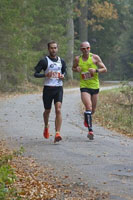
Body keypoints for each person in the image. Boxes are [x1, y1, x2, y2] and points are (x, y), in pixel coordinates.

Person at [72, 41, 107, 140]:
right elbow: (73, 68)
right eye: (83, 48)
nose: (85, 50)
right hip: (84, 86)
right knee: (88, 106)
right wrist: (76, 69)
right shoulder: (77, 59)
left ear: (90, 48)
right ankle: (90, 131)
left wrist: (96, 71)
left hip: (95, 86)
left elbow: (104, 69)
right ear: (81, 50)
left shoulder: (95, 58)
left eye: (87, 48)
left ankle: (86, 117)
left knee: (93, 110)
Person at [34, 41, 66, 143]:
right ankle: (46, 126)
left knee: (58, 110)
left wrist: (62, 76)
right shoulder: (44, 61)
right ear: (48, 49)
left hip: (58, 88)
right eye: (52, 48)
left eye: (55, 48)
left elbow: (64, 73)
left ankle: (57, 133)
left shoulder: (62, 61)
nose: (54, 50)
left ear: (57, 49)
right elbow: (35, 74)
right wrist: (45, 75)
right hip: (48, 89)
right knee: (47, 111)